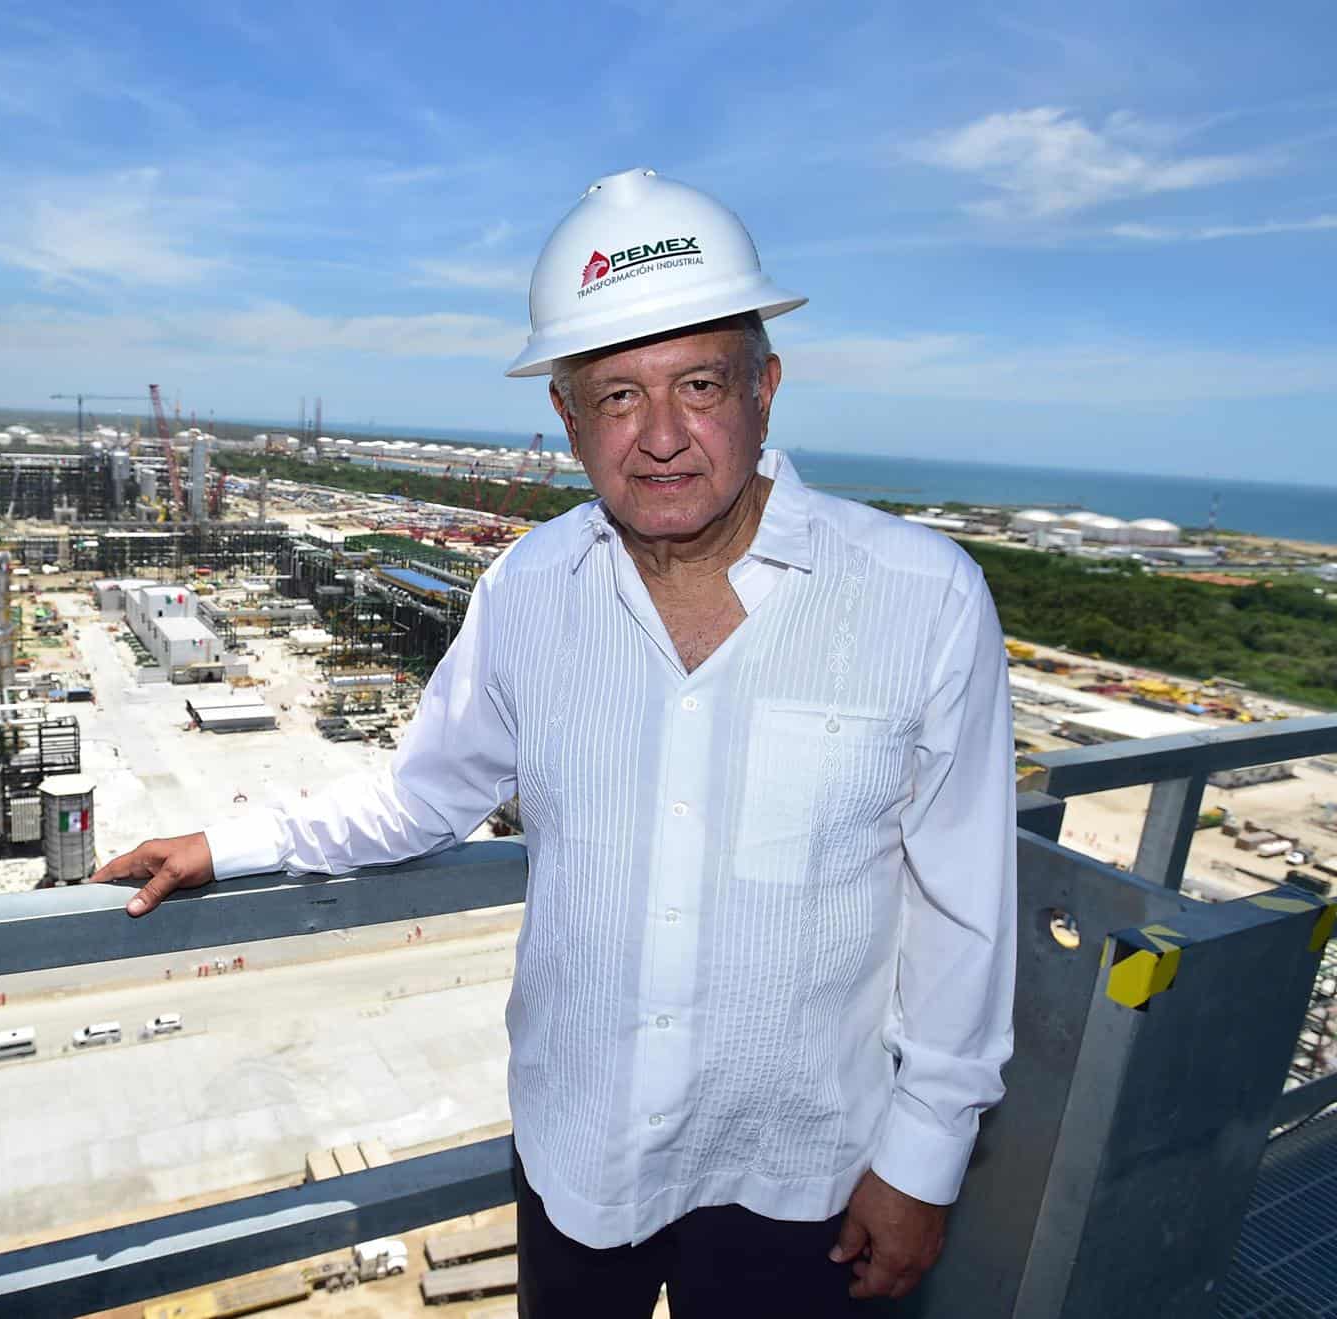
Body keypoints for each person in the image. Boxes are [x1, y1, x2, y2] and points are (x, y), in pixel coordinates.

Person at [91, 168, 1016, 1314]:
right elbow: (421, 799)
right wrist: (231, 844)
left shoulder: (920, 595)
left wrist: (925, 1159)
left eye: (699, 383)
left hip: (805, 1168)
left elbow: (964, 902)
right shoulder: (529, 588)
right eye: (618, 397)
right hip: (582, 1153)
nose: (664, 436)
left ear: (766, 388)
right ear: (568, 420)